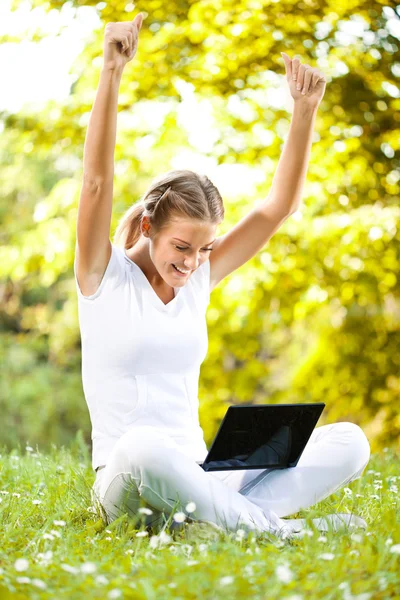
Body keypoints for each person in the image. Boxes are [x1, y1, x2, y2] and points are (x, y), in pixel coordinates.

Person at [74, 13, 371, 540]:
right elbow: (97, 183)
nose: (192, 263)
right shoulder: (103, 277)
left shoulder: (198, 281)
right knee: (143, 445)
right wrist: (111, 71)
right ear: (148, 226)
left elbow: (278, 207)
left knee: (349, 441)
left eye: (205, 248)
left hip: (202, 472)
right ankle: (282, 532)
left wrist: (304, 111)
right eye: (181, 247)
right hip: (129, 480)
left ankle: (216, 522)